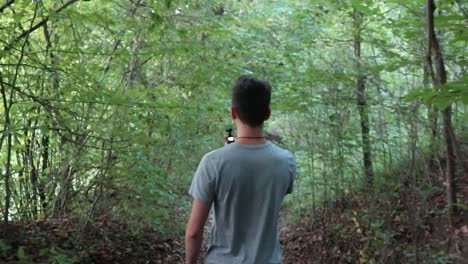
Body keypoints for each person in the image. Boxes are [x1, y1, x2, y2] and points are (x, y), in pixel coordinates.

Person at [185, 76, 296, 264]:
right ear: (267, 113)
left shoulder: (212, 162)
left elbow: (194, 232)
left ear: (233, 112)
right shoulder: (286, 161)